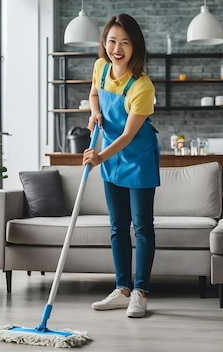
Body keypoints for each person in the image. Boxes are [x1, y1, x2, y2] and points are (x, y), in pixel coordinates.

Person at [81, 13, 159, 318]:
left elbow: (128, 134)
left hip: (137, 158)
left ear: (135, 46)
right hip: (112, 158)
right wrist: (95, 113)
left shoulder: (142, 86)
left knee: (142, 227)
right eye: (112, 40)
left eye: (125, 42)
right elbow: (93, 95)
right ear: (104, 42)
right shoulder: (100, 68)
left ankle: (140, 292)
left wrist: (100, 155)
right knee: (117, 226)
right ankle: (121, 288)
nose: (117, 47)